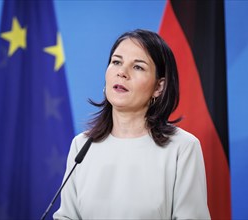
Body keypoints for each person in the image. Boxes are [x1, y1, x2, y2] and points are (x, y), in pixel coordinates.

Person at [53, 29, 210, 219]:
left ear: (158, 87)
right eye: (116, 62)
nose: (122, 73)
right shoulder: (82, 145)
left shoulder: (182, 148)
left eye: (138, 67)